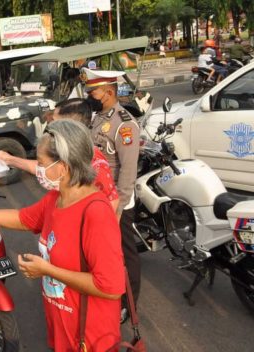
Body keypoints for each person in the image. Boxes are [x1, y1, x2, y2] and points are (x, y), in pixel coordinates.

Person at [0, 119, 125, 351]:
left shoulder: (96, 212)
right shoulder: (56, 199)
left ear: (63, 167)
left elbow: (111, 288)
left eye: (41, 163)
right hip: (62, 325)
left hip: (91, 337)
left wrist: (47, 270)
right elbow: (23, 218)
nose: (38, 169)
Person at [0, 98, 119, 212]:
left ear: (68, 126)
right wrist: (9, 159)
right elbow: (42, 166)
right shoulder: (67, 152)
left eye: (54, 121)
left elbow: (111, 204)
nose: (49, 125)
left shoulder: (94, 163)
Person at [83, 68, 141, 306]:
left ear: (108, 92)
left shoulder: (124, 124)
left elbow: (128, 169)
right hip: (99, 196)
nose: (89, 96)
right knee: (103, 252)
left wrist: (120, 207)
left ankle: (129, 303)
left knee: (125, 255)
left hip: (118, 201)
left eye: (92, 91)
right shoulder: (100, 118)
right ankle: (108, 294)